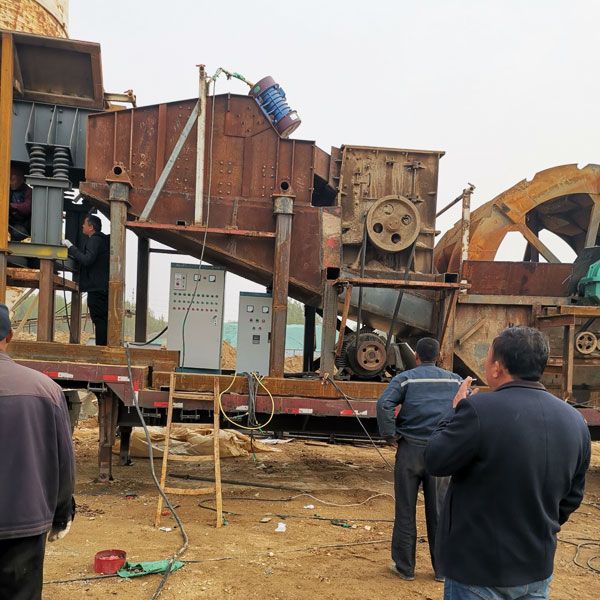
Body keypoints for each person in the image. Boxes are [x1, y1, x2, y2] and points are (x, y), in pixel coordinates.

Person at [425, 326, 591, 600]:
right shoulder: (574, 420)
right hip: (536, 568)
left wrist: (453, 411)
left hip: (478, 571)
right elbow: (572, 497)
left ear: (497, 367)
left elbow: (435, 459)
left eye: (488, 357)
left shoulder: (478, 411)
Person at [0, 303, 75, 599]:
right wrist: (61, 514)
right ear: (10, 335)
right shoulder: (46, 390)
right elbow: (63, 463)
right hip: (24, 526)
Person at [377, 337, 462, 582]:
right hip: (441, 452)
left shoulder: (406, 379)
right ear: (439, 356)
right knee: (440, 511)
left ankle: (405, 568)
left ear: (416, 357)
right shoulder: (455, 381)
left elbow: (384, 404)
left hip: (410, 450)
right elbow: (465, 409)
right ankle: (442, 570)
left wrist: (390, 435)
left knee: (405, 509)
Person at [63, 214, 110, 345]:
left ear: (91, 227)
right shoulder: (102, 240)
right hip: (101, 287)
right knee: (102, 319)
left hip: (96, 288)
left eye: (85, 224)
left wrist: (71, 247)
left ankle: (101, 348)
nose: (82, 226)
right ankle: (103, 346)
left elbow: (87, 260)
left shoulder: (94, 240)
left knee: (99, 319)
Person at [9, 163, 32, 241]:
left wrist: (11, 206)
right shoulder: (6, 189)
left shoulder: (28, 191)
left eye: (12, 179)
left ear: (20, 178)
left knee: (18, 233)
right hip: (10, 222)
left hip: (23, 224)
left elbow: (27, 208)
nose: (10, 182)